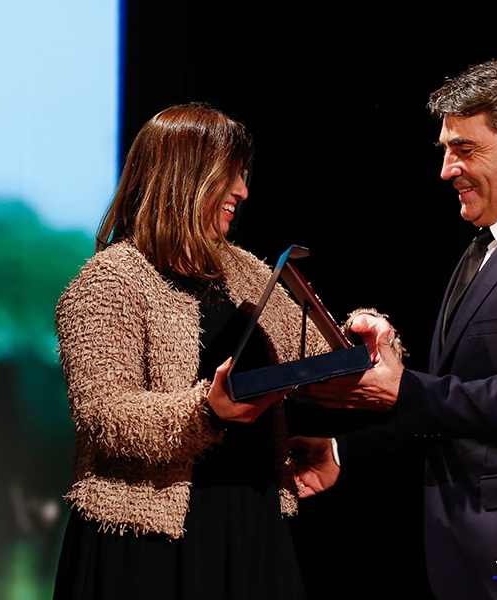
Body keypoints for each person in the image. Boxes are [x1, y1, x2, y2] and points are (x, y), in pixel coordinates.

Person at [293, 59, 497, 600]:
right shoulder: (481, 251)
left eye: (465, 149)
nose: (447, 170)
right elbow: (457, 409)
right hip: (471, 558)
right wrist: (341, 452)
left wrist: (407, 389)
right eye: (446, 150)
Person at [52, 103, 331, 600]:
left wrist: (365, 337)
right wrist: (207, 411)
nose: (243, 191)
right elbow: (104, 414)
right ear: (187, 177)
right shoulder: (109, 280)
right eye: (231, 175)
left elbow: (311, 350)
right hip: (149, 537)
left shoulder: (244, 270)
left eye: (244, 176)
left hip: (250, 519)